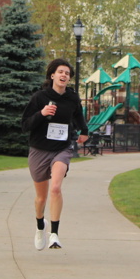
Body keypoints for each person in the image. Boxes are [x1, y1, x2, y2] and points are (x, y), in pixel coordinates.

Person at [21, 58, 89, 250]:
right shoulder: (39, 98)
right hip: (39, 149)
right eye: (60, 72)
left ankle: (54, 234)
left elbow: (78, 116)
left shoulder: (72, 98)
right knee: (41, 198)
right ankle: (40, 226)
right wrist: (42, 114)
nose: (64, 75)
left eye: (67, 73)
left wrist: (84, 131)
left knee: (56, 188)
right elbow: (25, 125)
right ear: (52, 75)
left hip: (62, 148)